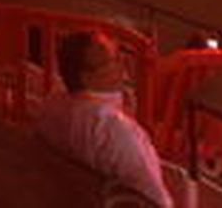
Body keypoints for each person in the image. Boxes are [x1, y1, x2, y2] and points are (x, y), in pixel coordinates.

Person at [36, 31, 171, 208]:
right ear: (86, 76)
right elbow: (157, 200)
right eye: (114, 59)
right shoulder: (116, 131)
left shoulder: (51, 105)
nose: (122, 64)